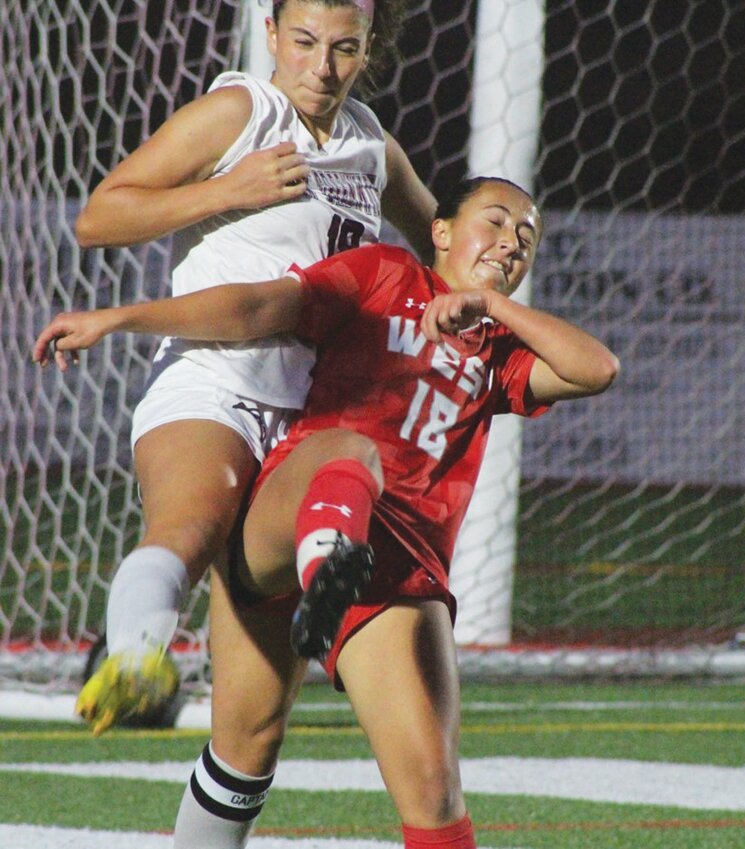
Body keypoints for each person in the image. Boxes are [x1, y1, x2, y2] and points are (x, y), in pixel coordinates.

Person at [36, 176, 620, 848]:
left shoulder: (502, 352)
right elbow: (258, 308)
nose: (511, 242)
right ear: (439, 230)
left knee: (409, 786)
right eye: (494, 221)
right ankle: (325, 565)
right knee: (349, 448)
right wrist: (120, 318)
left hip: (396, 565)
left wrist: (487, 303)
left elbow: (595, 368)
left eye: (526, 236)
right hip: (293, 516)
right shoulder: (383, 273)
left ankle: (333, 575)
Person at [70, 0, 436, 735]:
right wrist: (225, 191)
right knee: (192, 521)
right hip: (214, 377)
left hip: (311, 416)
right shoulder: (240, 111)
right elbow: (99, 217)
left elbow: (442, 243)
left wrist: (484, 275)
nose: (321, 66)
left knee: (253, 731)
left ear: (367, 52)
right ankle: (135, 658)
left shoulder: (372, 146)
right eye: (302, 42)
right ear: (270, 34)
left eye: (343, 49)